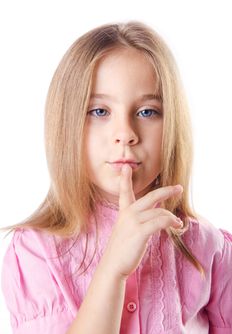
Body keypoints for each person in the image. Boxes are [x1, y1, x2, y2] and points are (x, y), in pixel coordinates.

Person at [1, 21, 231, 334]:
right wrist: (112, 269)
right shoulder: (35, 250)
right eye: (99, 111)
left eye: (148, 112)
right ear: (66, 125)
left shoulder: (208, 246)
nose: (125, 134)